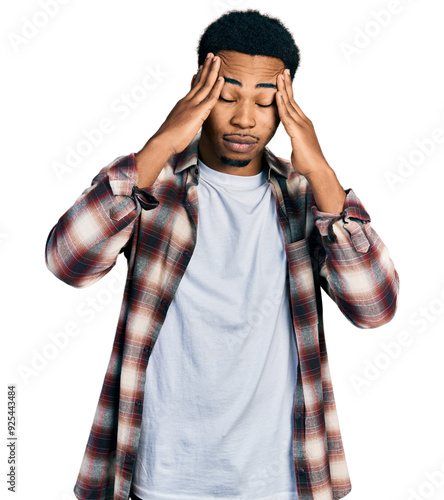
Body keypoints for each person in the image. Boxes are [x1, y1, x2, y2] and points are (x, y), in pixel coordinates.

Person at [45, 9, 399, 500]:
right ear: (199, 92)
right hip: (162, 477)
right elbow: (68, 261)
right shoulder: (154, 186)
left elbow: (375, 307)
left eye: (264, 102)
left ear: (287, 104)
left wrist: (319, 169)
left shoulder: (304, 198)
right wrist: (168, 137)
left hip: (278, 479)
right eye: (226, 96)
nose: (244, 118)